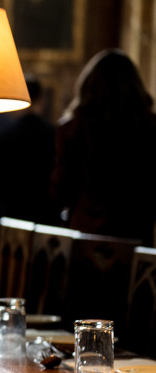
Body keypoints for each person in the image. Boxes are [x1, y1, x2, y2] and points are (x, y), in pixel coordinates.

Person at [51, 48, 156, 245]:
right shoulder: (150, 127)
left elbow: (61, 187)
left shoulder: (72, 128)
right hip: (136, 232)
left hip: (85, 233)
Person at [0, 74, 61, 225]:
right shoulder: (56, 136)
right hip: (47, 221)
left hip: (12, 220)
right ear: (42, 100)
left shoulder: (2, 137)